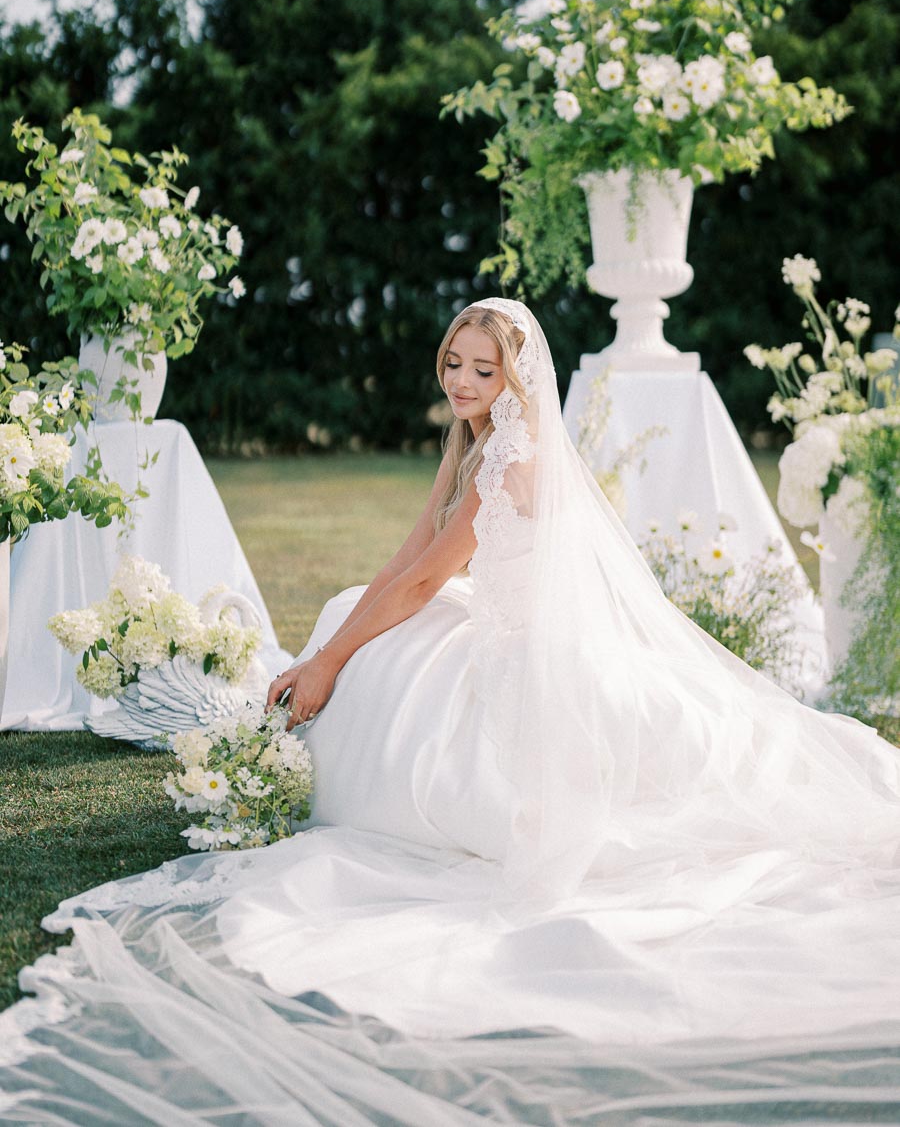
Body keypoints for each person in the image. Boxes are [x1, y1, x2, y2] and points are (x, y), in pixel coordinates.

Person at [2, 297, 900, 1125]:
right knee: (356, 610)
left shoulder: (516, 454)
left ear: (517, 380)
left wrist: (330, 662)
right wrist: (323, 651)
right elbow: (411, 551)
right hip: (492, 623)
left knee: (387, 650)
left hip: (528, 655)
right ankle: (334, 717)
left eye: (484, 371)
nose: (465, 383)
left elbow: (433, 577)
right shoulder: (477, 438)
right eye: (454, 365)